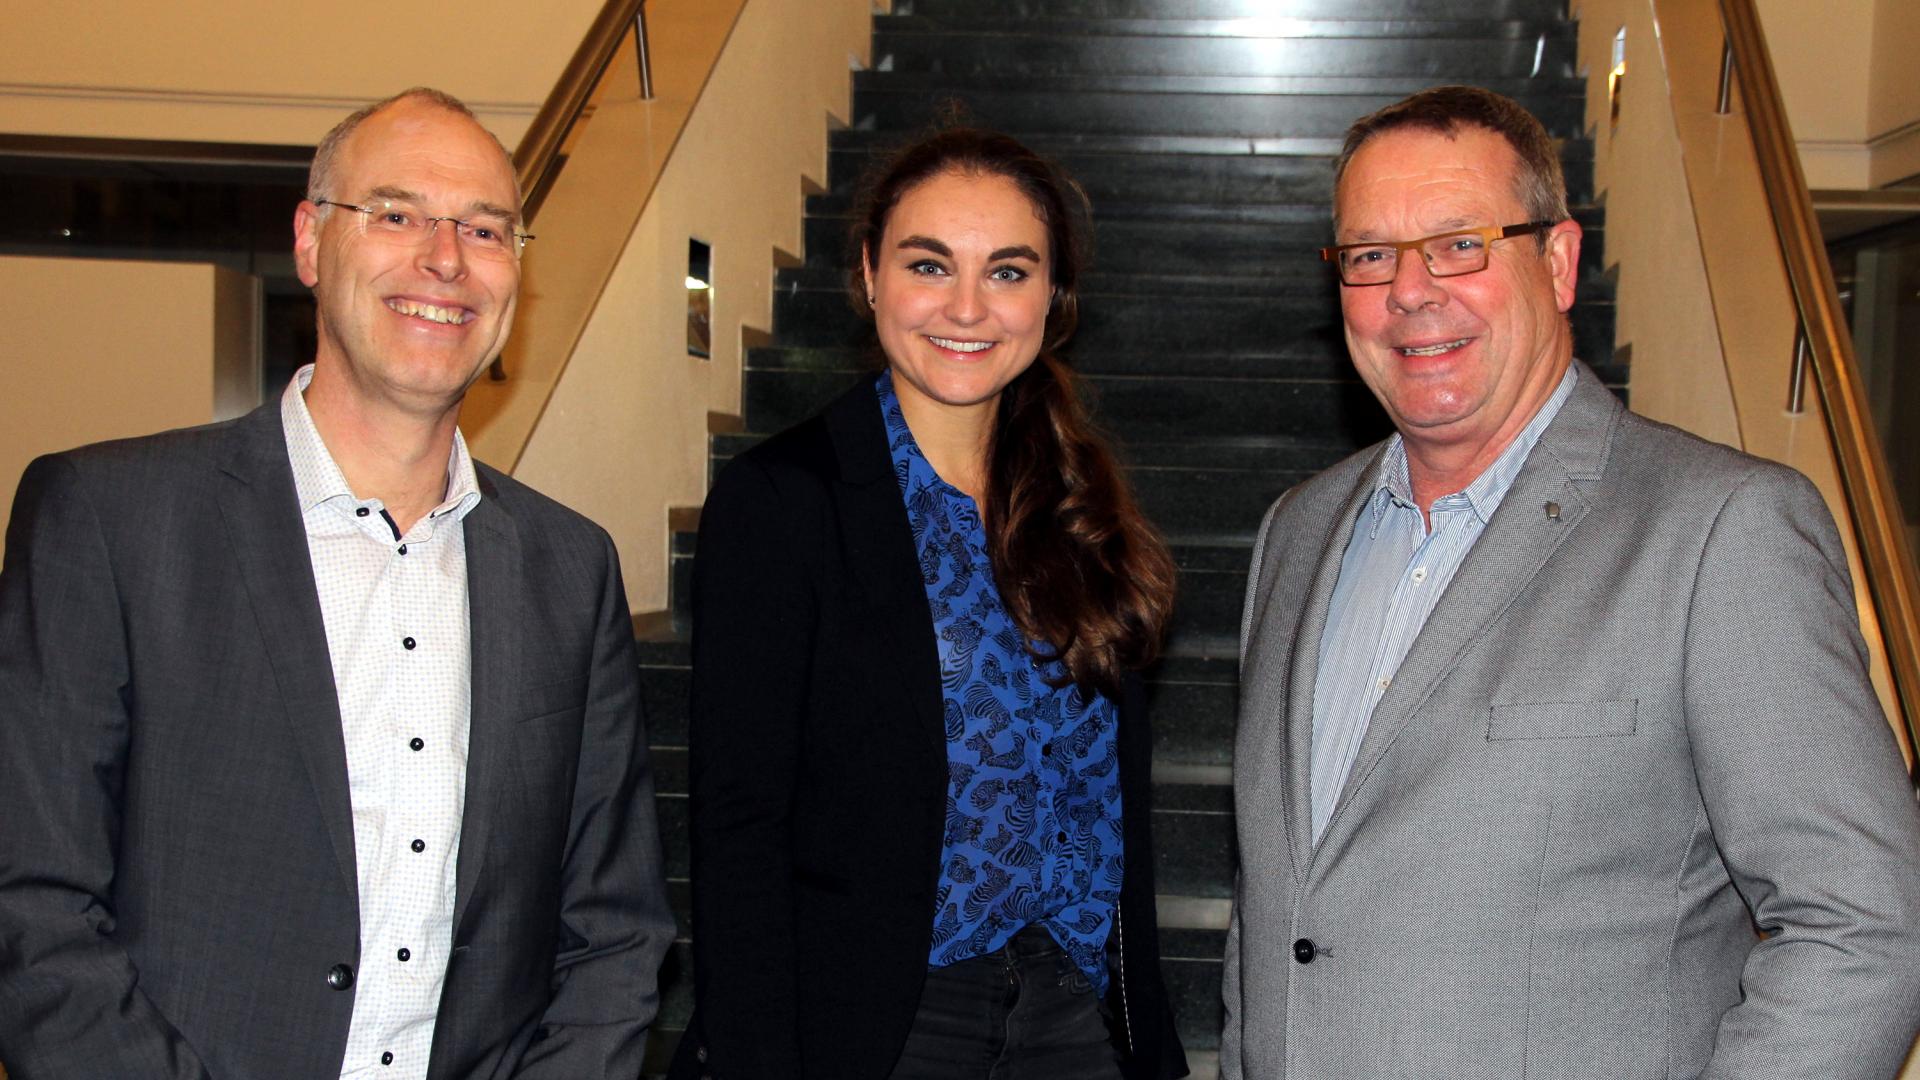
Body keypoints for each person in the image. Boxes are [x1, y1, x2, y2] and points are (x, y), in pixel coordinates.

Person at [1223, 85, 1920, 1080]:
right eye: (1370, 256)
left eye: (1461, 243)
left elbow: (1868, 923)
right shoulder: (1298, 532)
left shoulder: (1721, 532)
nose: (1411, 292)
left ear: (1557, 262)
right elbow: (1277, 914)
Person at [0, 87, 674, 1079]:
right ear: (312, 243)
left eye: (484, 229)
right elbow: (33, 903)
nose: (445, 258)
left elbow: (613, 933)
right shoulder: (109, 521)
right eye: (397, 213)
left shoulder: (570, 571)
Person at [672, 127, 1189, 1080]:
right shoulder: (784, 501)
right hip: (884, 1024)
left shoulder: (1079, 502)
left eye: (1007, 272)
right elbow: (739, 826)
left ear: (1052, 296)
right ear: (871, 275)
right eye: (928, 264)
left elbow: (1108, 809)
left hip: (1076, 1016)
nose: (965, 307)